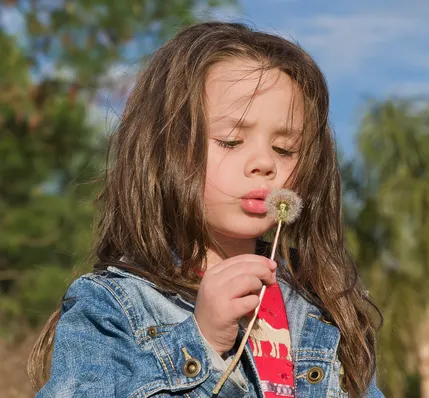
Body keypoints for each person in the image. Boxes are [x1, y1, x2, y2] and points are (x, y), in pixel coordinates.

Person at [28, 21, 383, 398]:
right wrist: (202, 343)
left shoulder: (323, 303)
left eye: (284, 149)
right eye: (231, 141)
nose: (264, 163)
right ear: (164, 150)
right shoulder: (112, 308)